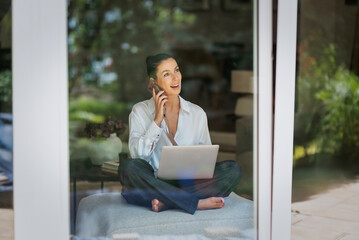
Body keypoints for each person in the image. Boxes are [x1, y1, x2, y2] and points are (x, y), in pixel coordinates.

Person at [118, 53, 241, 214]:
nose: (175, 78)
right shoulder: (139, 111)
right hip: (154, 180)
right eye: (166, 74)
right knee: (128, 168)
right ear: (154, 83)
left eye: (176, 70)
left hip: (187, 182)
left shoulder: (197, 113)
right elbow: (137, 156)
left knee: (233, 169)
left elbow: (206, 162)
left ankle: (167, 201)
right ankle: (195, 203)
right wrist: (156, 121)